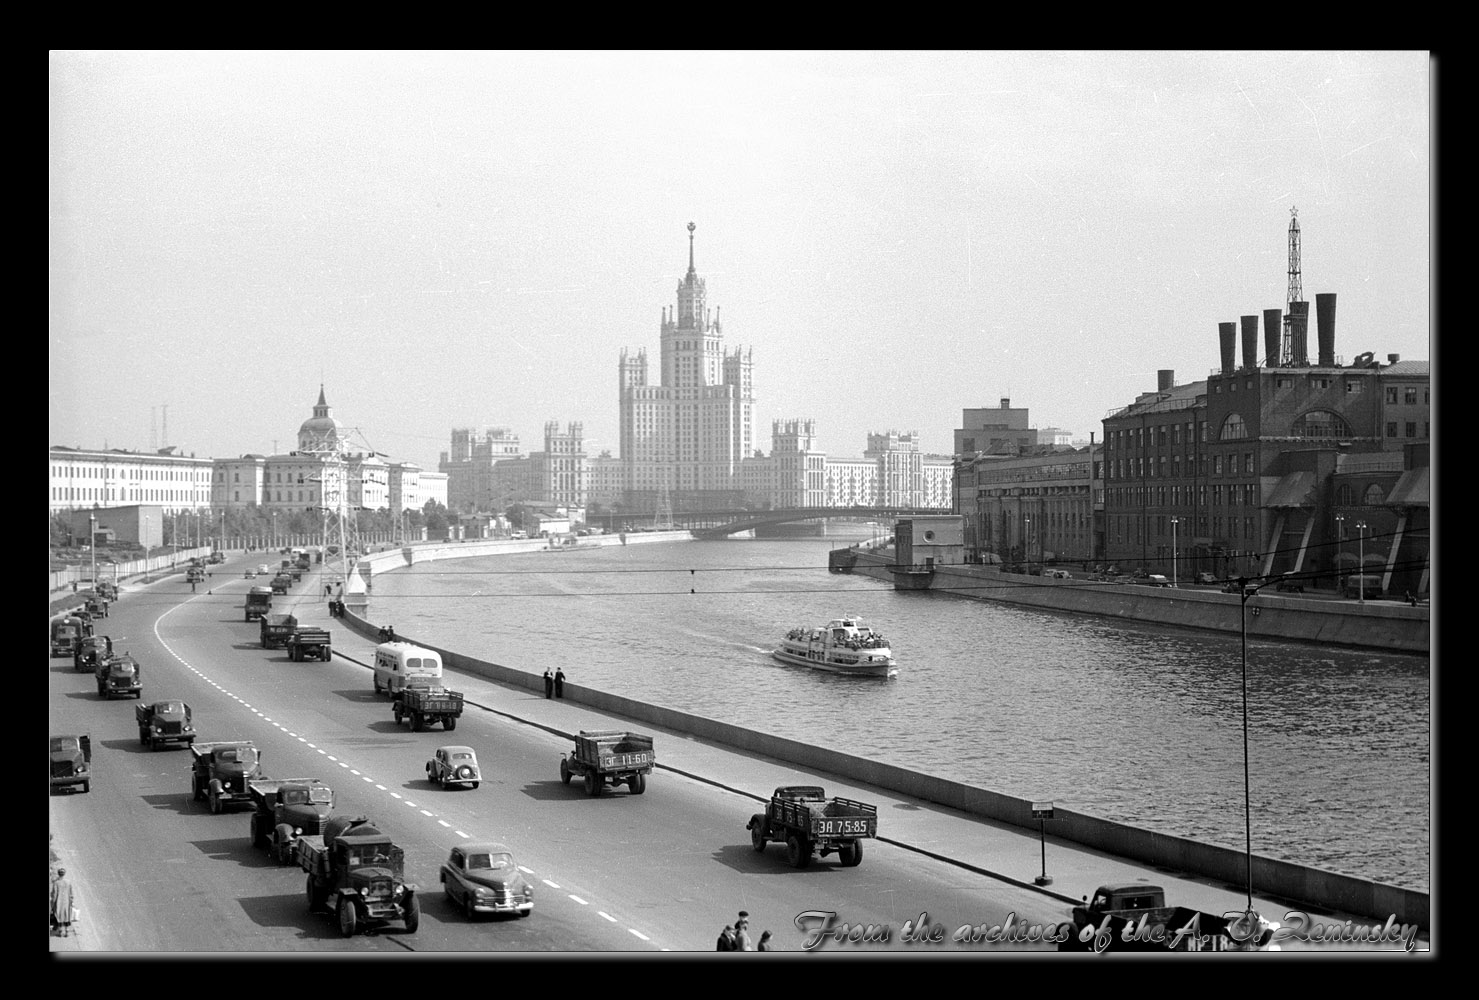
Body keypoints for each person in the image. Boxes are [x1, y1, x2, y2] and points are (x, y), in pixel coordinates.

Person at [51, 868, 74, 938]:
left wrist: (52, 904)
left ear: (58, 874)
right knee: (67, 916)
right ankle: (67, 932)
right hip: (67, 902)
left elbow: (54, 895)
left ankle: (60, 933)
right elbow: (71, 893)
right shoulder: (68, 882)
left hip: (59, 902)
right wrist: (71, 901)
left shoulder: (56, 883)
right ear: (64, 874)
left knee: (59, 916)